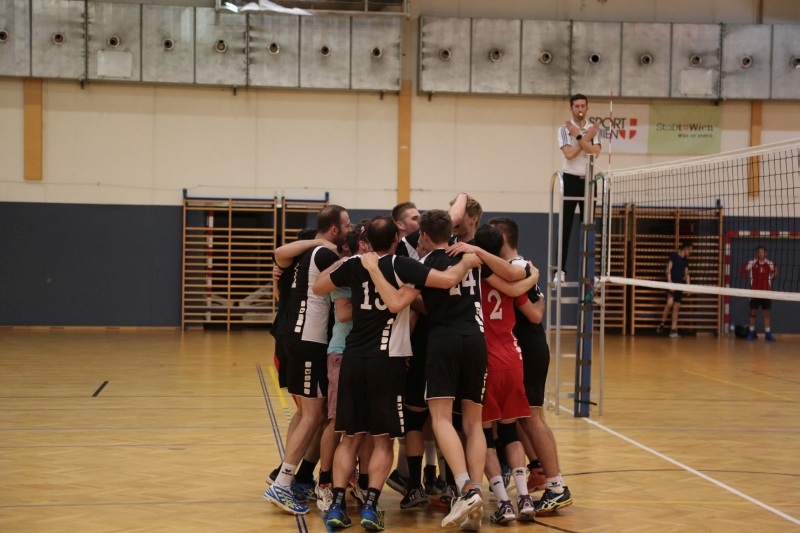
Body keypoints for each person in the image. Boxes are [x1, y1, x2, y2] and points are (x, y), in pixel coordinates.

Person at [312, 215, 481, 531]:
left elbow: (319, 286)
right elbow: (447, 281)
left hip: (353, 357)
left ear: (367, 241)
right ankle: (371, 507)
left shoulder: (355, 264)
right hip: (386, 359)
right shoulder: (402, 265)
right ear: (395, 240)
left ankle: (337, 505)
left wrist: (347, 261)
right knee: (382, 440)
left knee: (350, 438)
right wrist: (467, 263)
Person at [263, 205, 351, 516]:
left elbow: (281, 257)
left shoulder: (305, 254)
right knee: (314, 415)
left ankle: (290, 476)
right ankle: (282, 483)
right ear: (335, 230)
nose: (350, 230)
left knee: (307, 413)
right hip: (308, 340)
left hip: (293, 337)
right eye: (347, 225)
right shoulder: (324, 254)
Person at [487, 217, 573, 515]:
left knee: (533, 418)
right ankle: (538, 473)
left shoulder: (517, 268)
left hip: (527, 349)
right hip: (520, 349)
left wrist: (529, 279)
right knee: (522, 418)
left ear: (501, 238)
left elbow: (535, 314)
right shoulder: (521, 268)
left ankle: (557, 486)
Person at [555, 94, 602, 283]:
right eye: (576, 106)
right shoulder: (563, 129)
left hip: (589, 181)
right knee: (565, 227)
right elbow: (569, 154)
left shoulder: (594, 129)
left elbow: (594, 153)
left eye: (583, 106)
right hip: (569, 179)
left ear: (587, 108)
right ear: (571, 109)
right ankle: (560, 271)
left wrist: (581, 136)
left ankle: (589, 272)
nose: (580, 109)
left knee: (588, 227)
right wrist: (585, 138)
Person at [740, 245, 778, 342]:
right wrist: (749, 277)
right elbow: (741, 270)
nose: (761, 254)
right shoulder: (752, 263)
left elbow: (775, 270)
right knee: (753, 312)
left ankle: (768, 334)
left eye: (763, 252)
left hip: (766, 292)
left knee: (766, 313)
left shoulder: (769, 263)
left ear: (765, 253)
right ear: (757, 253)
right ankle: (751, 332)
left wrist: (771, 277)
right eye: (759, 252)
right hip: (754, 292)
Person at [657, 242, 692, 338]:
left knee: (676, 307)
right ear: (685, 248)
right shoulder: (674, 256)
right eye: (690, 249)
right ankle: (662, 323)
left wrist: (689, 287)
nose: (690, 252)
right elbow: (668, 270)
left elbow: (687, 274)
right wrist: (670, 283)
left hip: (680, 286)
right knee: (670, 303)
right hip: (672, 284)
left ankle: (673, 330)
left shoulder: (685, 261)